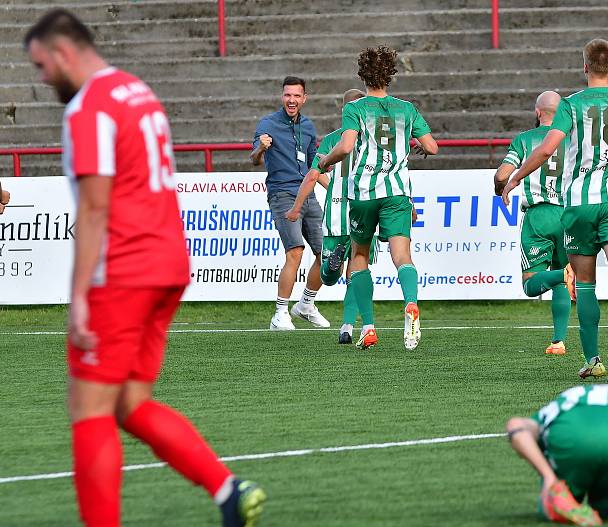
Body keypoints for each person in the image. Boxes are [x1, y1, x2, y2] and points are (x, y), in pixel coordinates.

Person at [25, 10, 265, 527]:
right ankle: (228, 490)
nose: (42, 78)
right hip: (168, 261)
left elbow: (94, 206)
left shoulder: (88, 109)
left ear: (64, 52)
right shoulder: (137, 90)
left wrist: (79, 296)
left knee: (88, 409)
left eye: (42, 65)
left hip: (124, 267)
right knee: (130, 402)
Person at [502, 39, 608, 379]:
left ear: (585, 67)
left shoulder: (570, 105)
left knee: (584, 284)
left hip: (579, 201)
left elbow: (543, 151)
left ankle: (593, 360)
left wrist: (515, 179)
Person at [317, 46, 438, 350]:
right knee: (402, 256)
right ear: (391, 75)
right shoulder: (406, 109)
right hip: (397, 192)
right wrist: (414, 142)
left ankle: (368, 327)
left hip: (364, 192)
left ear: (362, 75)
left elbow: (345, 147)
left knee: (359, 257)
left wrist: (324, 162)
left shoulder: (355, 108)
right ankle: (410, 303)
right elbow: (432, 147)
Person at [286, 88, 379, 344]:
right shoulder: (376, 140)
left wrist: (296, 207)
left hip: (336, 214)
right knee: (358, 271)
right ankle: (348, 327)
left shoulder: (332, 140)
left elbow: (313, 174)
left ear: (344, 110)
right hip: (365, 210)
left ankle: (331, 268)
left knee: (329, 276)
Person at [507, 384, 608, 526]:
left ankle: (558, 497)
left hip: (574, 432)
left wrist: (549, 477)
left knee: (553, 499)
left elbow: (516, 427)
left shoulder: (556, 407)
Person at [493, 91, 575, 356]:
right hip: (569, 215)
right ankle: (558, 341)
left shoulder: (525, 140)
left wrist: (499, 188)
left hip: (538, 217)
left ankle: (563, 275)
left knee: (531, 284)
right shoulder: (573, 140)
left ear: (538, 112)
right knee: (563, 277)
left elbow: (502, 174)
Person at [250, 76, 329, 331]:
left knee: (326, 254)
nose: (291, 100)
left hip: (309, 194)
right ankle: (280, 313)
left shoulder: (308, 127)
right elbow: (254, 159)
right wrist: (261, 148)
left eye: (296, 96)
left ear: (304, 98)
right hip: (282, 194)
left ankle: (305, 304)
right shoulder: (267, 124)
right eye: (287, 95)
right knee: (295, 251)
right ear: (282, 96)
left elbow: (312, 166)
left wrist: (336, 188)